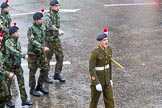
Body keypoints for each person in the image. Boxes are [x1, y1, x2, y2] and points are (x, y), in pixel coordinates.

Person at [3, 23, 32, 107]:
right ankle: (8, 100)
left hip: (17, 66)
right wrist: (23, 56)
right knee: (7, 84)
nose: (18, 33)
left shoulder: (17, 41)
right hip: (9, 66)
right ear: (12, 33)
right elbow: (13, 52)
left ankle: (24, 99)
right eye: (16, 32)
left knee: (21, 83)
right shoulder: (7, 42)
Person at [27, 11, 50, 97]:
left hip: (41, 53)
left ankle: (39, 86)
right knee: (32, 72)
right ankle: (32, 89)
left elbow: (44, 38)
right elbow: (32, 40)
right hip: (33, 54)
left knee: (45, 69)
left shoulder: (42, 27)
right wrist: (42, 47)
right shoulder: (31, 28)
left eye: (41, 19)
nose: (41, 20)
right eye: (39, 19)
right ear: (35, 20)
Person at [89, 33, 115, 108]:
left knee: (110, 100)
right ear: (100, 42)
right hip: (98, 80)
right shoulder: (95, 53)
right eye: (104, 40)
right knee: (94, 101)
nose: (106, 42)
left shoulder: (109, 49)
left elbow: (109, 66)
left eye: (107, 39)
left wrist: (110, 78)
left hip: (107, 81)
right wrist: (96, 83)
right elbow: (91, 69)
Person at [44, 0, 65, 83]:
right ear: (52, 6)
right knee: (47, 58)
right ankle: (45, 75)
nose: (58, 7)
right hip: (49, 41)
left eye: (58, 6)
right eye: (56, 6)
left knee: (60, 56)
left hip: (56, 39)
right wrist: (58, 30)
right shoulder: (48, 16)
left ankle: (57, 74)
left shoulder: (56, 14)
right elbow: (48, 25)